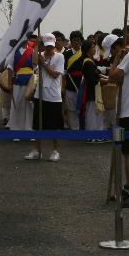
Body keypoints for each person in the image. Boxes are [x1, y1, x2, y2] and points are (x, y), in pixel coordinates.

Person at [100, 33, 129, 208]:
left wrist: (117, 58)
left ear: (115, 47)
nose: (112, 56)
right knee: (126, 150)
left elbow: (112, 76)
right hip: (127, 109)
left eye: (112, 53)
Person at [27, 33, 64, 162]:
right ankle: (36, 150)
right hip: (40, 95)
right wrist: (36, 45)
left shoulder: (60, 57)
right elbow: (33, 62)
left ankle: (55, 151)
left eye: (51, 46)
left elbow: (55, 75)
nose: (49, 49)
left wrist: (44, 64)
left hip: (53, 96)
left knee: (55, 126)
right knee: (37, 124)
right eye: (46, 46)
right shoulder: (40, 55)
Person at [63, 31, 87, 130]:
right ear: (71, 41)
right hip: (70, 84)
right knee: (71, 109)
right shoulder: (66, 54)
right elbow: (64, 72)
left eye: (78, 40)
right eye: (74, 40)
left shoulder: (85, 53)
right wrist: (63, 86)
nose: (76, 42)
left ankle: (83, 128)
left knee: (83, 107)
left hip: (82, 84)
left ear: (81, 41)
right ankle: (74, 129)